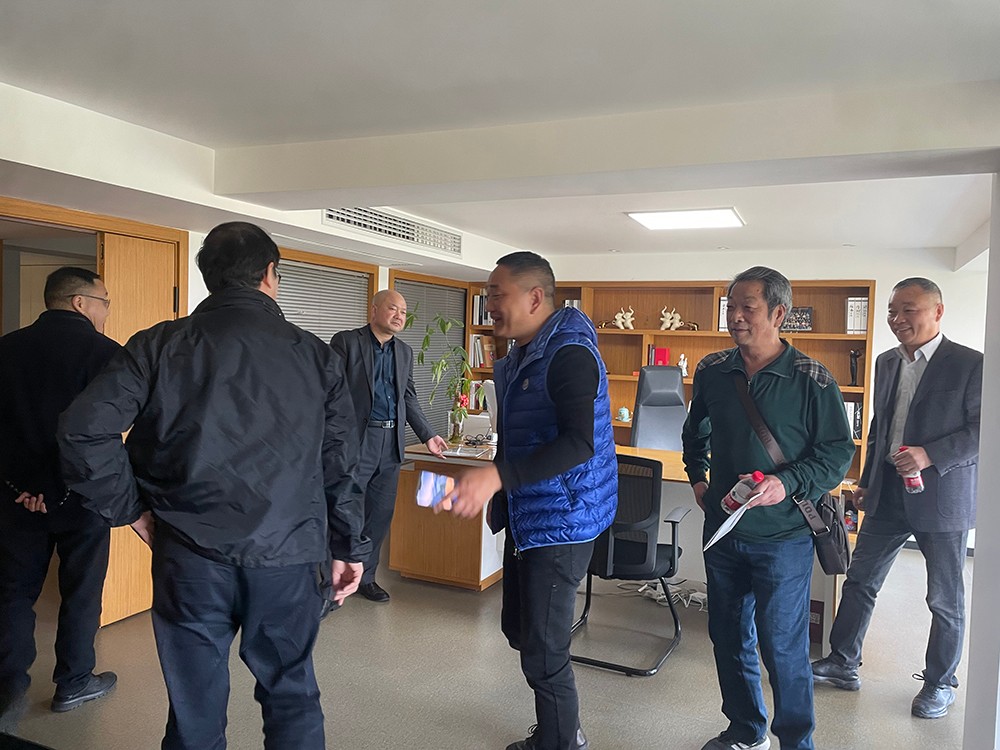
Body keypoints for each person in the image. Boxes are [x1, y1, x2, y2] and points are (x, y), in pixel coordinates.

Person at [57, 222, 369, 750]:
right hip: (288, 554)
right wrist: (348, 546)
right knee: (291, 693)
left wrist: (131, 510)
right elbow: (341, 463)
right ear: (270, 274)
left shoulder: (158, 344)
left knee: (193, 706)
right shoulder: (317, 356)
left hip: (190, 555)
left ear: (208, 278)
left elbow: (83, 429)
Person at [443, 251, 617, 750]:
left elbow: (579, 442)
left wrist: (498, 477)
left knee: (543, 650)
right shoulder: (522, 353)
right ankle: (561, 728)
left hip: (563, 518)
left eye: (498, 295)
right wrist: (498, 485)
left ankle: (562, 740)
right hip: (531, 514)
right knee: (521, 631)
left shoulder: (569, 355)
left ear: (535, 297)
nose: (490, 305)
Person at [682, 266, 855, 750]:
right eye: (731, 306)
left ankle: (796, 742)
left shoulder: (812, 379)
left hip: (783, 538)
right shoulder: (713, 370)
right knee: (727, 637)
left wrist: (786, 483)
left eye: (748, 307)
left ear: (778, 314)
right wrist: (698, 477)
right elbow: (695, 431)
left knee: (782, 647)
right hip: (723, 533)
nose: (735, 316)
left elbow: (837, 454)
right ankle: (745, 730)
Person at [812, 277, 982, 720]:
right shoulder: (886, 361)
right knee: (860, 580)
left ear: (937, 311)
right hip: (887, 490)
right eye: (892, 310)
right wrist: (867, 479)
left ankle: (940, 682)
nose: (897, 319)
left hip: (941, 495)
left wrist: (930, 454)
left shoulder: (971, 363)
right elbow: (880, 426)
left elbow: (984, 430)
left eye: (909, 309)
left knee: (943, 598)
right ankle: (842, 662)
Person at [0, 268, 120, 731]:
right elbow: (106, 431)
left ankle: (7, 688)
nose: (106, 311)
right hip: (84, 496)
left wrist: (25, 488)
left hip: (14, 497)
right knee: (82, 591)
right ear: (80, 302)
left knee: (13, 591)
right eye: (104, 301)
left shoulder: (6, 349)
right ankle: (74, 681)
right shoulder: (107, 354)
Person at [330, 289, 447, 603]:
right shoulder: (347, 342)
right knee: (345, 510)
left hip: (391, 443)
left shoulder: (404, 352)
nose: (399, 316)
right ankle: (334, 579)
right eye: (393, 308)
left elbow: (408, 398)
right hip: (357, 441)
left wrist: (428, 435)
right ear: (374, 310)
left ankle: (367, 578)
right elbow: (331, 391)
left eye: (404, 312)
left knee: (379, 515)